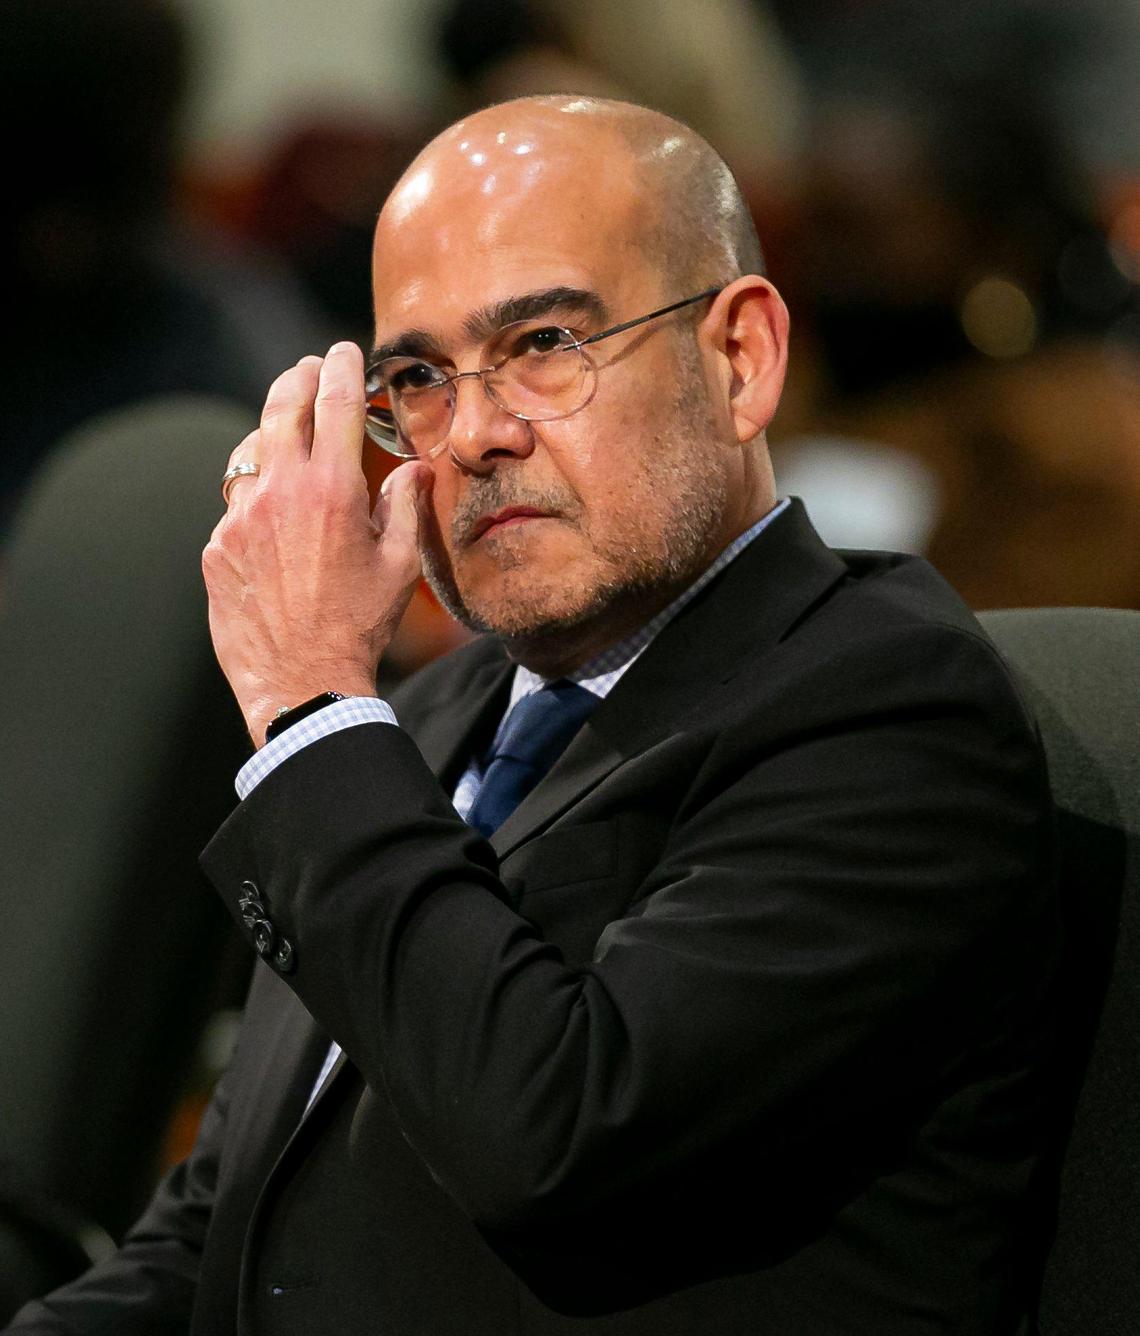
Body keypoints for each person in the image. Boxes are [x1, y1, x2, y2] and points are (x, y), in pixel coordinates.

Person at [7, 96, 1061, 1335]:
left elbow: (550, 1132)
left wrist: (309, 709)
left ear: (740, 360)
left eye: (547, 342)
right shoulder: (430, 712)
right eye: (418, 379)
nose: (479, 434)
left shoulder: (886, 712)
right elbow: (230, 1219)